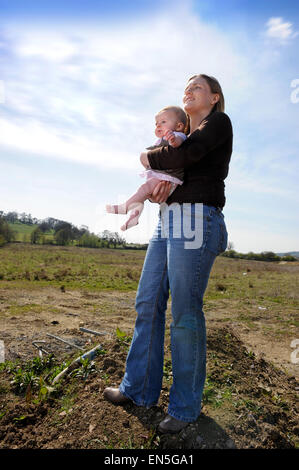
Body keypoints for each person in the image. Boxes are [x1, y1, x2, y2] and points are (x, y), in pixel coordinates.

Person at [103, 74, 233, 434]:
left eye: (197, 87)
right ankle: (138, 389)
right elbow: (172, 163)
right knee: (147, 302)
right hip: (167, 222)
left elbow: (185, 155)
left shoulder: (217, 123)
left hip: (196, 221)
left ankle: (185, 407)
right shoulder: (178, 132)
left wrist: (146, 155)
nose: (188, 91)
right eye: (186, 87)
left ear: (215, 97)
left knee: (185, 314)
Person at [106, 106, 187, 231]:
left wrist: (172, 140)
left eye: (163, 122)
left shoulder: (177, 135)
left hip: (168, 178)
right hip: (161, 176)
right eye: (157, 124)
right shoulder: (160, 140)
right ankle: (133, 218)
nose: (158, 126)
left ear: (179, 126)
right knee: (142, 194)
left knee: (144, 190)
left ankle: (125, 207)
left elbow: (178, 142)